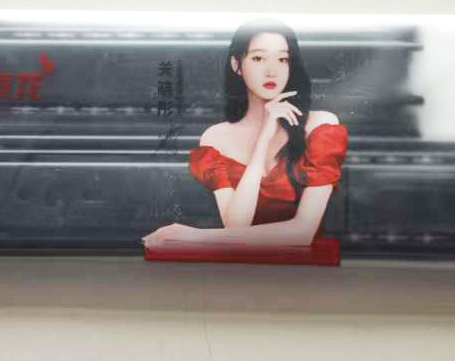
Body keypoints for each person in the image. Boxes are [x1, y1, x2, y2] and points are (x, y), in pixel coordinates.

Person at [142, 20, 348, 253]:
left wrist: (193, 237)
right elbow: (237, 226)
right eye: (258, 58)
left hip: (304, 270)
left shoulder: (321, 126)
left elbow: (303, 233)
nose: (272, 71)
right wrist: (263, 140)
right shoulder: (216, 137)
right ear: (236, 64)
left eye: (282, 59)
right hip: (236, 267)